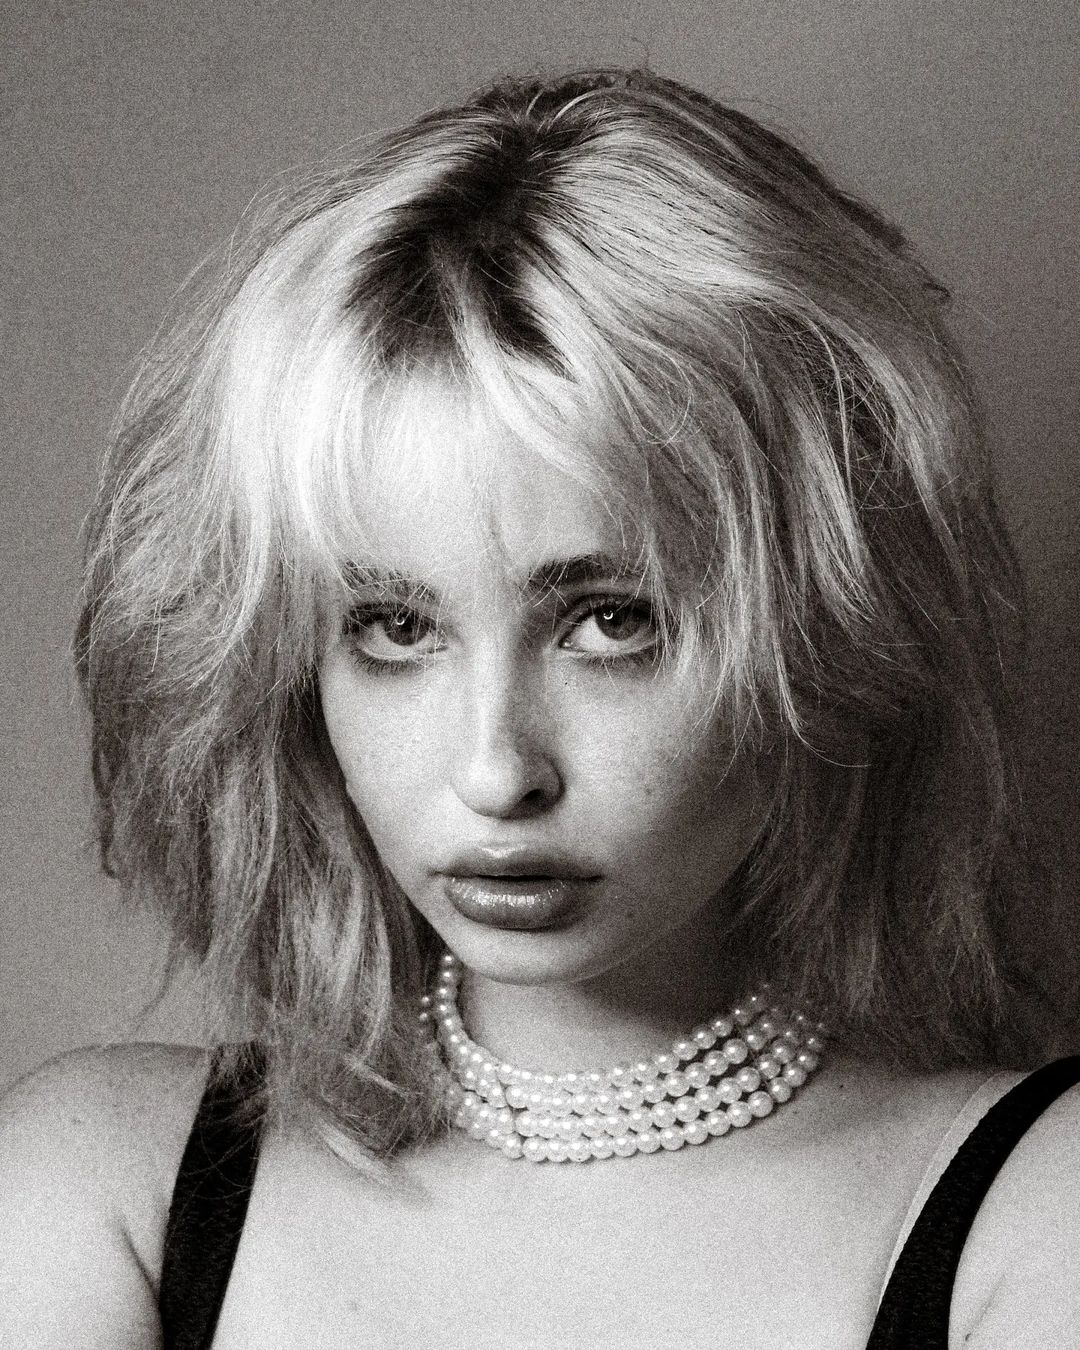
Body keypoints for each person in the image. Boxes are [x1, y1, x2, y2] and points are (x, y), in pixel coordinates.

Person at [1, 67, 1076, 1348]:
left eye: (613, 621)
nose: (496, 770)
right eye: (396, 628)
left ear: (821, 629)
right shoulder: (102, 1188)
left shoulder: (1036, 1211)